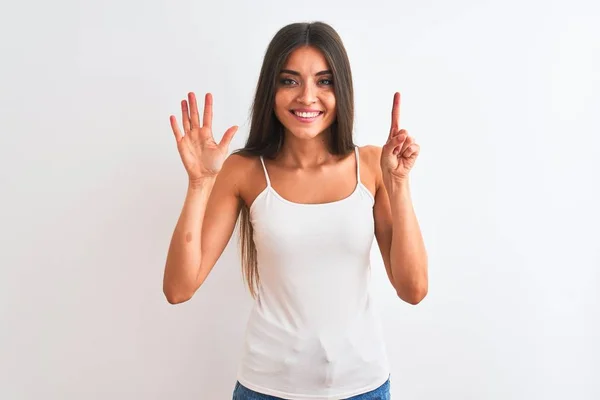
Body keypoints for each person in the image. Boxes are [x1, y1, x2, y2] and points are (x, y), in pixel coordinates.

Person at [163, 21, 428, 400]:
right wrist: (199, 184)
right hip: (265, 388)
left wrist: (399, 184)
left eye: (324, 81)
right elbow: (178, 288)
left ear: (342, 90)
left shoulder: (372, 165)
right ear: (271, 89)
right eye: (289, 81)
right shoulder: (245, 171)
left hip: (362, 387)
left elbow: (414, 289)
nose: (307, 97)